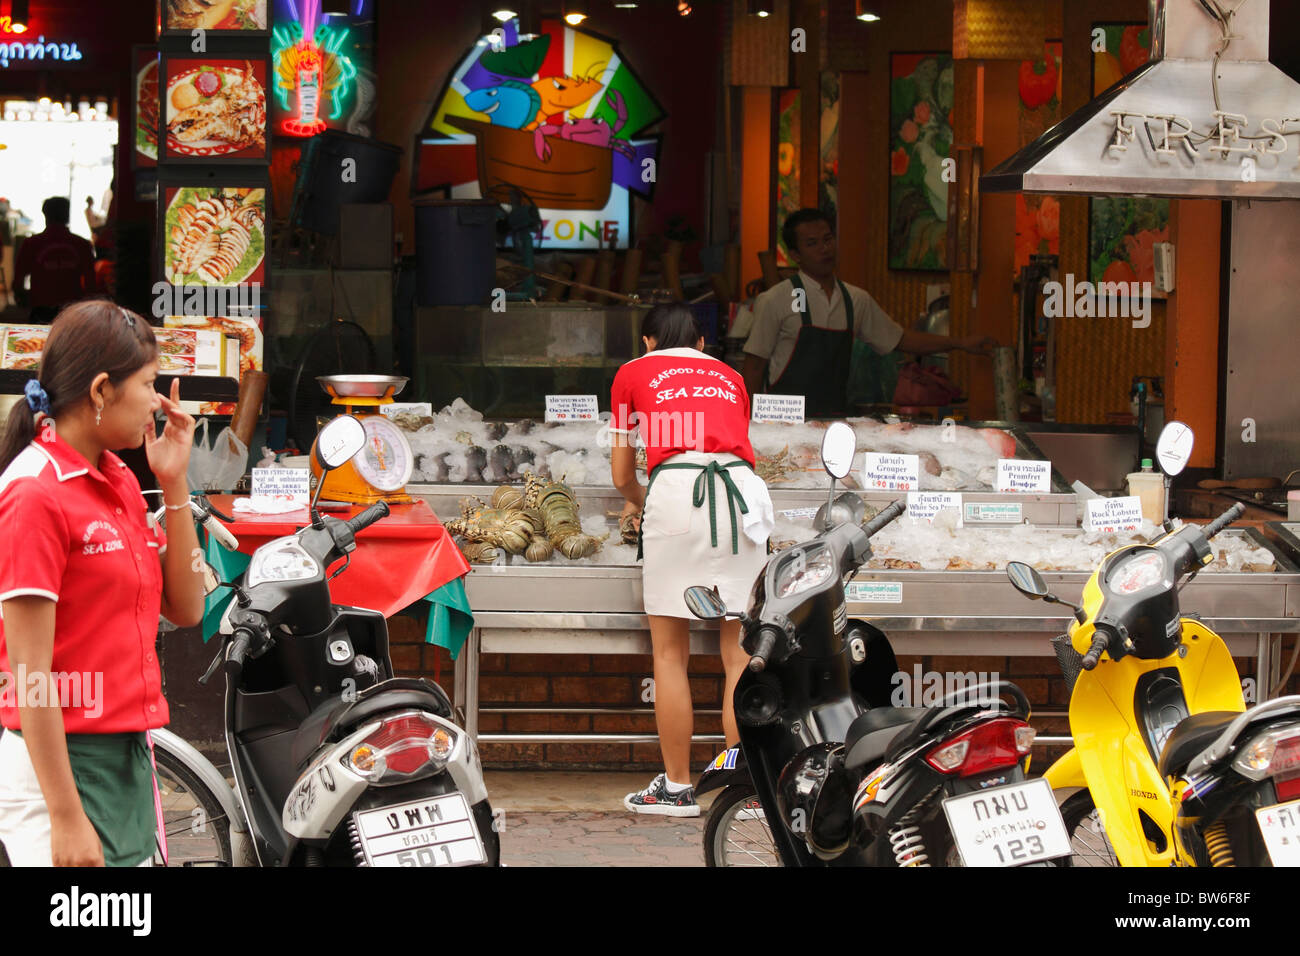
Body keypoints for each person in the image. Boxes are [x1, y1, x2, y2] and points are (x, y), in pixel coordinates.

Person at [0, 301, 204, 867]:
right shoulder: (34, 492)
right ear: (99, 391)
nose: (160, 403)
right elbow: (29, 676)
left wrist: (175, 480)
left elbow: (187, 609)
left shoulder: (118, 481)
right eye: (148, 384)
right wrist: (65, 819)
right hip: (61, 770)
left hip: (126, 756)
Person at [610, 305, 772, 816]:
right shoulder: (731, 376)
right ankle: (743, 791)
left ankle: (677, 787)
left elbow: (620, 473)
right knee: (739, 655)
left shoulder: (632, 373)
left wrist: (640, 498)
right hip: (742, 498)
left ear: (647, 341)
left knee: (670, 654)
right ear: (703, 344)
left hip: (678, 495)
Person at [743, 208, 997, 417]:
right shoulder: (774, 300)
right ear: (795, 255)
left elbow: (901, 339)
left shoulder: (856, 300)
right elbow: (754, 368)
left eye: (828, 239)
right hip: (780, 423)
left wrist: (961, 343)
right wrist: (749, 424)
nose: (824, 249)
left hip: (833, 421)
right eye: (812, 244)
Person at [13, 197, 96, 323]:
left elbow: (18, 280)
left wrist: (23, 298)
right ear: (67, 215)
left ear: (45, 214)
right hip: (72, 312)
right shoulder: (82, 245)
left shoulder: (31, 244)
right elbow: (91, 284)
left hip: (40, 311)